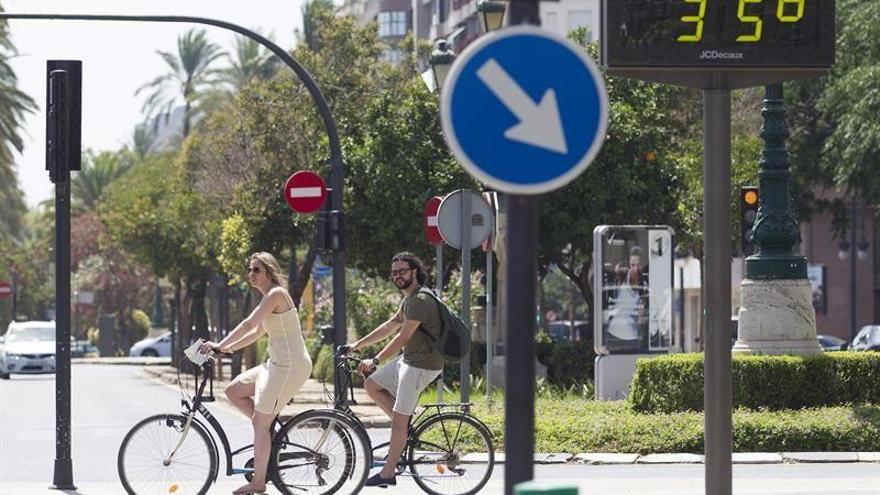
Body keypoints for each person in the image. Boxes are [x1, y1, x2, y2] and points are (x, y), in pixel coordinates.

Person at [199, 252, 312, 495]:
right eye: (250, 270)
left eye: (256, 270)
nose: (251, 274)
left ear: (269, 271)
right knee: (233, 390)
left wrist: (219, 343)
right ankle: (267, 427)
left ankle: (258, 482)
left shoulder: (276, 294)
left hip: (290, 366)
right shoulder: (267, 298)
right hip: (275, 364)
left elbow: (248, 324)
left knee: (260, 423)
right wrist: (226, 349)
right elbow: (256, 333)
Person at [343, 252, 443, 488]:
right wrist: (356, 345)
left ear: (414, 272)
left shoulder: (420, 300)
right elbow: (390, 325)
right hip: (409, 360)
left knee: (398, 420)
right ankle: (404, 430)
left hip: (421, 365)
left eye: (403, 271)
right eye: (395, 272)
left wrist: (375, 360)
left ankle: (388, 472)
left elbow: (403, 337)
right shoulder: (409, 299)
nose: (398, 276)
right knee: (372, 384)